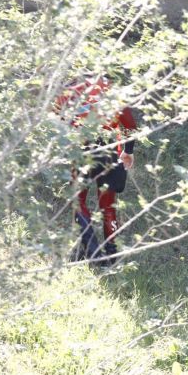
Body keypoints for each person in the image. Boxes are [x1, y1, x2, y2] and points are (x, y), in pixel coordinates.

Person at [55, 77, 138, 264]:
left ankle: (93, 252)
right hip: (110, 150)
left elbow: (58, 121)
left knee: (78, 201)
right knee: (108, 206)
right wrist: (128, 151)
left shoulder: (70, 89)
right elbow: (130, 125)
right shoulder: (111, 89)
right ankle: (112, 254)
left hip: (81, 149)